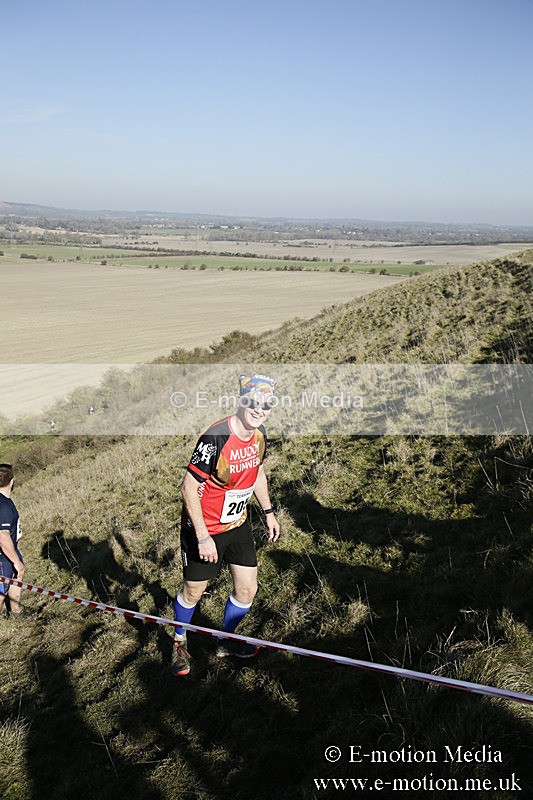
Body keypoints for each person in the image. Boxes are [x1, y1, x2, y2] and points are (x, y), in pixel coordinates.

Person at [171, 373, 281, 677]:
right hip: (204, 530)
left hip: (238, 523)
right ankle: (179, 641)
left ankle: (225, 640)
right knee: (194, 591)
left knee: (247, 589)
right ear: (241, 401)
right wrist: (204, 537)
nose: (259, 410)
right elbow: (187, 488)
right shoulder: (216, 437)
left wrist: (268, 511)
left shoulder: (259, 435)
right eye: (253, 403)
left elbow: (257, 473)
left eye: (267, 404)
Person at [0, 464, 27, 618]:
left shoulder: (4, 500)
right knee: (1, 590)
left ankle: (16, 611)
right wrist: (15, 561)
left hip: (10, 550)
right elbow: (2, 536)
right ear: (11, 481)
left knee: (18, 575)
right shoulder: (3, 506)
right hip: (3, 555)